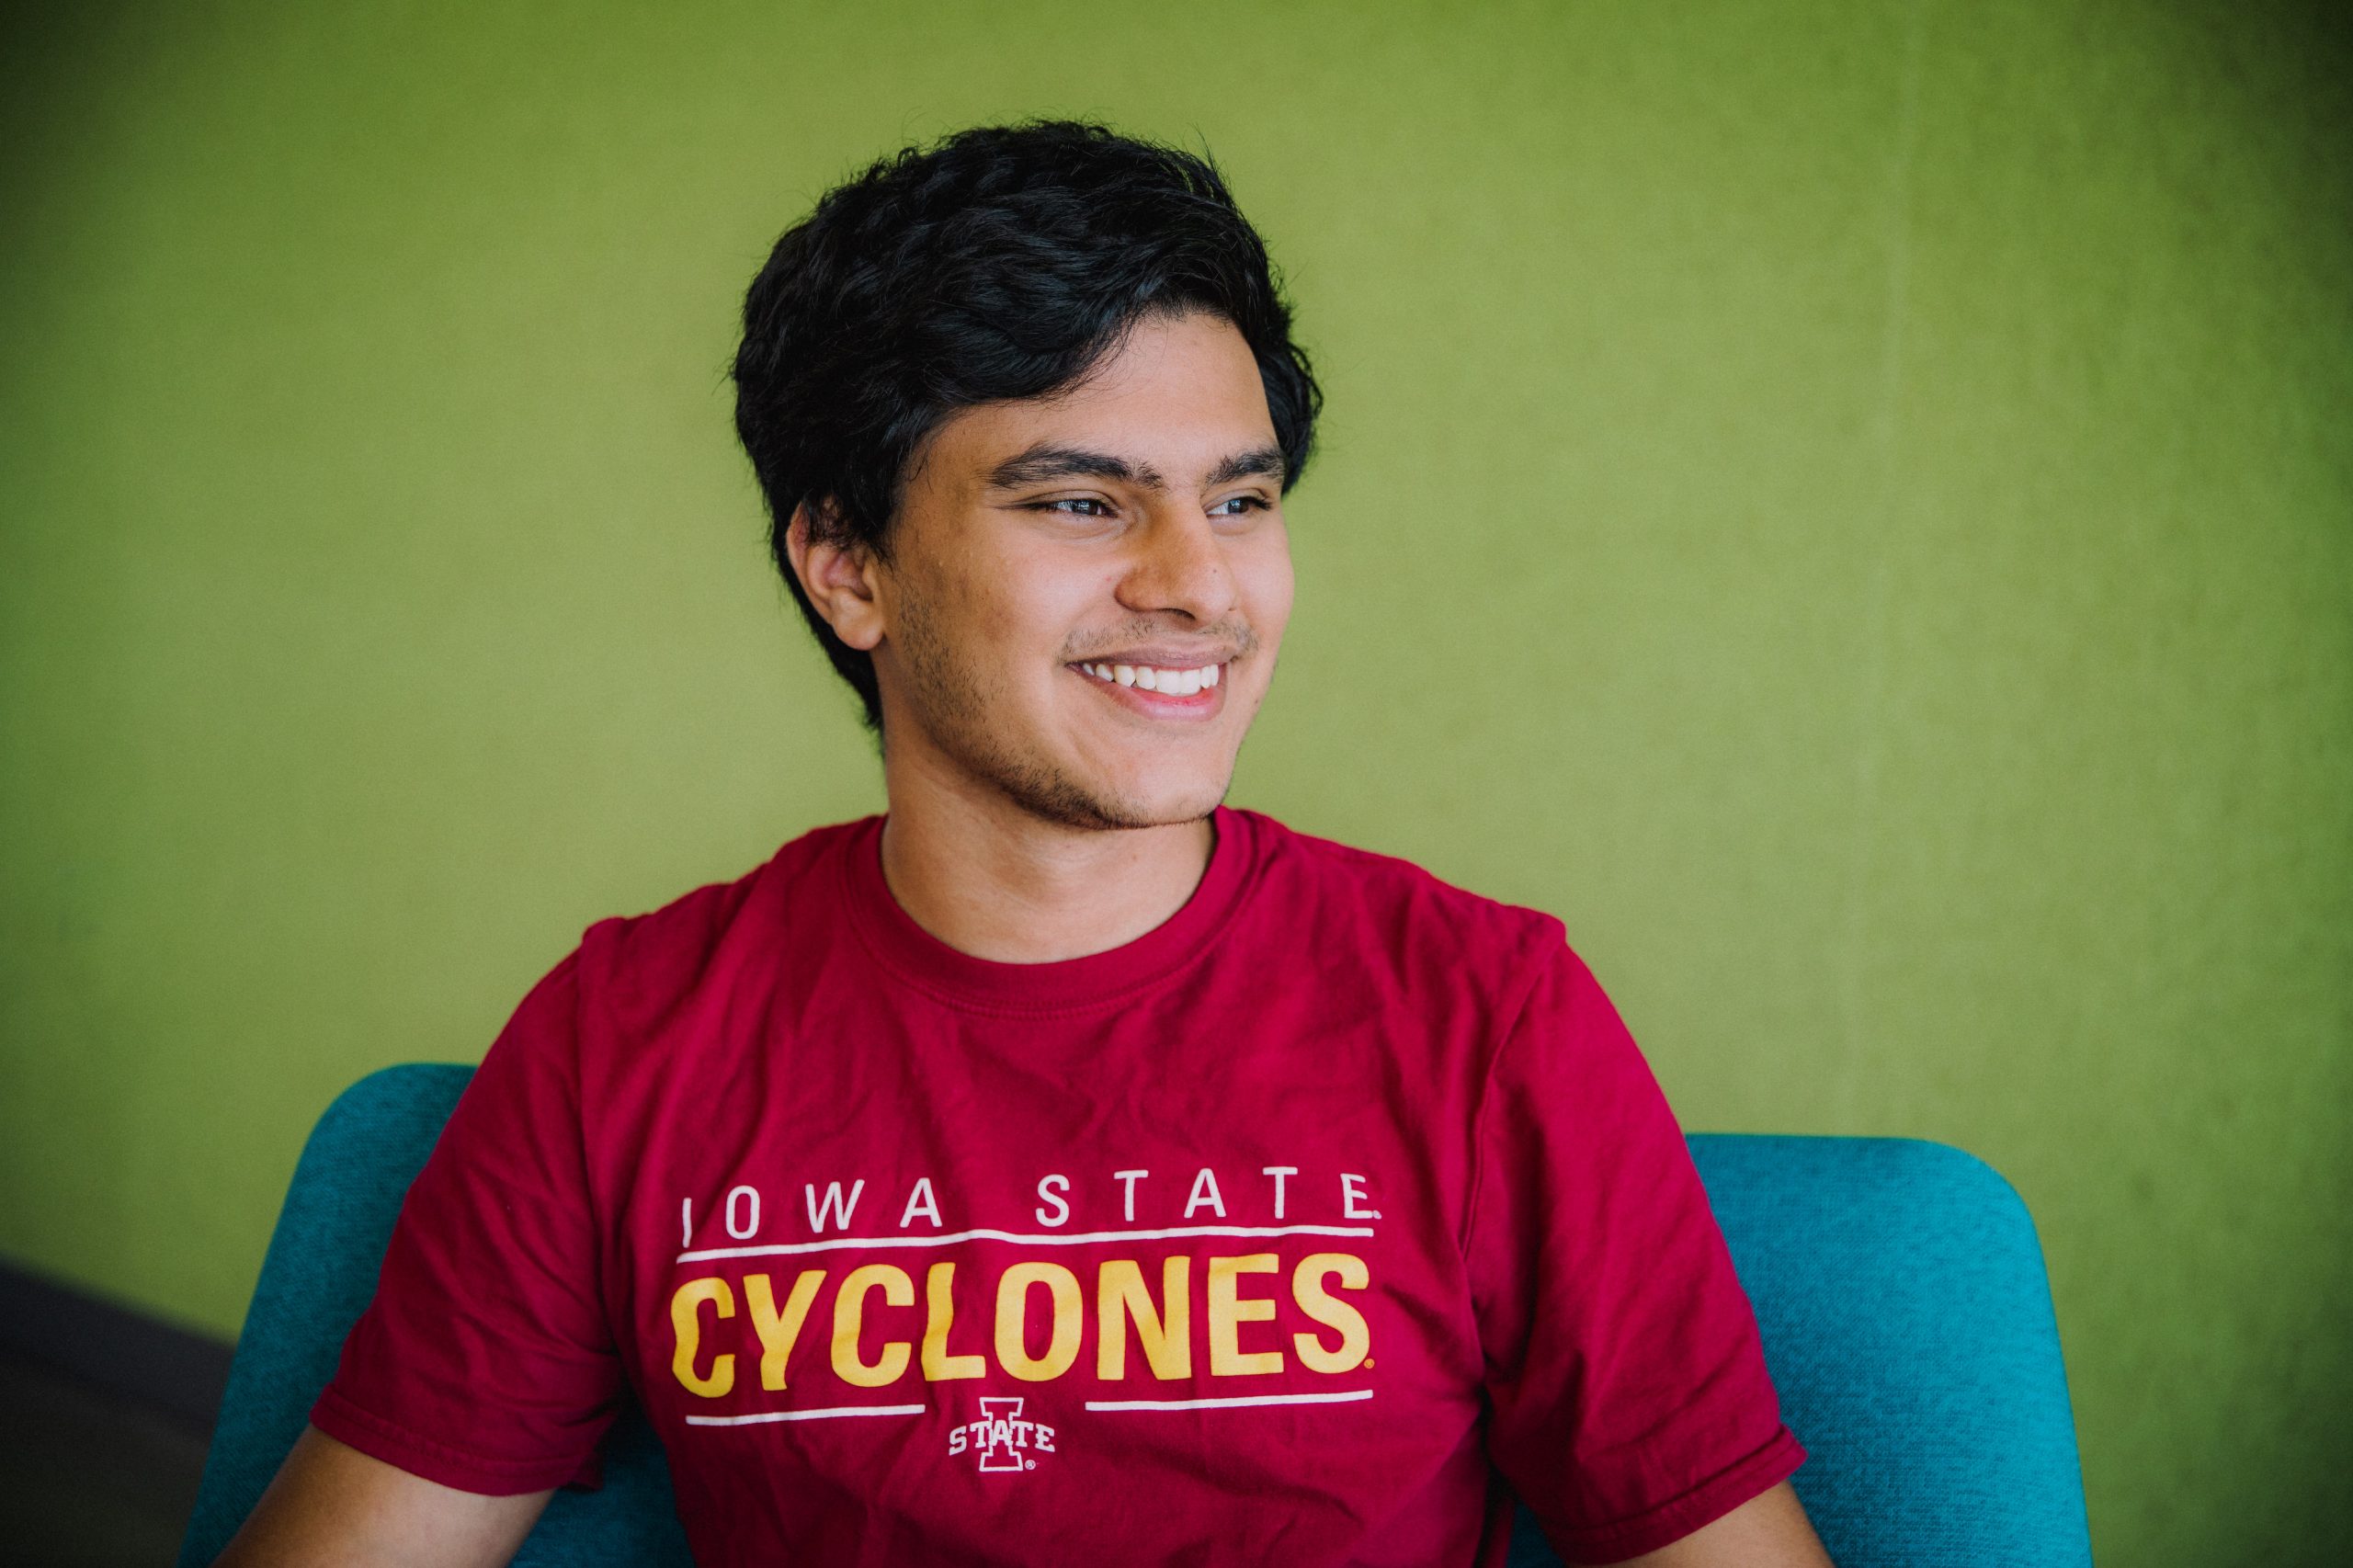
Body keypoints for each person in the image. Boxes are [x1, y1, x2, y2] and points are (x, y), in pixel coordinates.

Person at [218, 121, 1831, 1568]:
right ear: (847, 566)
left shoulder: (1488, 1013)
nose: (1200, 583)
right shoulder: (624, 1036)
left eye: (1244, 498)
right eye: (1081, 502)